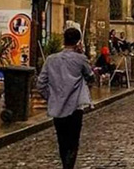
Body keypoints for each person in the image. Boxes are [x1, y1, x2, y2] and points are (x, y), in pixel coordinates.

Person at [37, 28, 94, 169]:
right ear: (78, 42)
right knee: (73, 141)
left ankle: (65, 164)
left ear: (64, 40)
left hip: (57, 106)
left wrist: (51, 97)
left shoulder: (51, 59)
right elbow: (91, 76)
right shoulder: (80, 59)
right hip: (75, 106)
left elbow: (40, 84)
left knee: (62, 140)